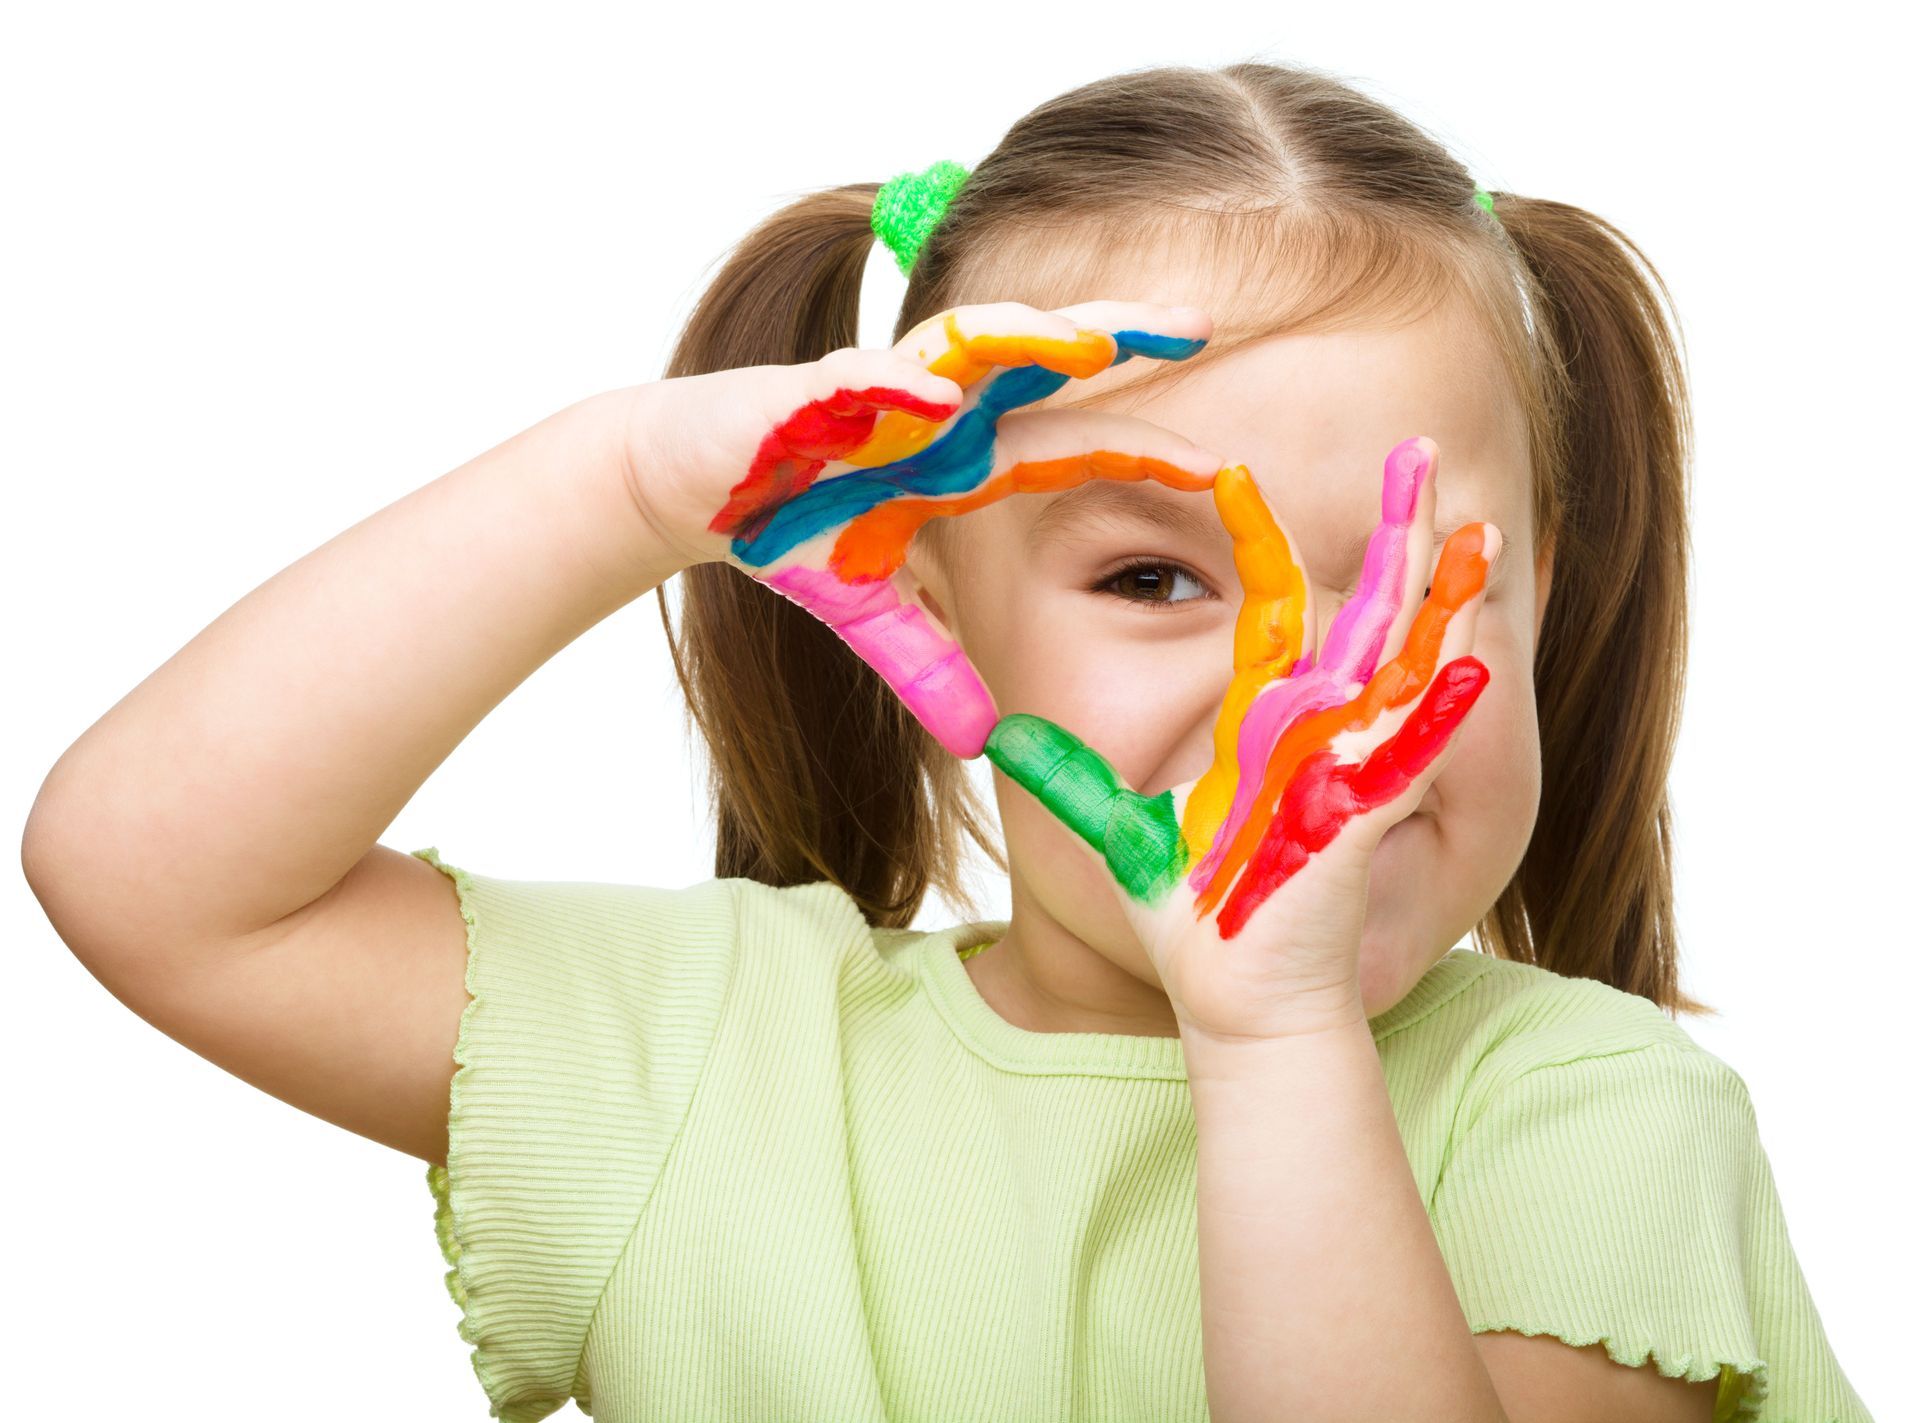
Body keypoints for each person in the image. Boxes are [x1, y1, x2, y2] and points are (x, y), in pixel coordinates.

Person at [21, 59, 1872, 1423]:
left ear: (1543, 605)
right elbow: (153, 883)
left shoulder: (1591, 1112)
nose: (1295, 685)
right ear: (936, 616)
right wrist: (629, 478)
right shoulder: (719, 1064)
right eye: (1157, 577)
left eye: (1420, 582)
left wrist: (1274, 1032)